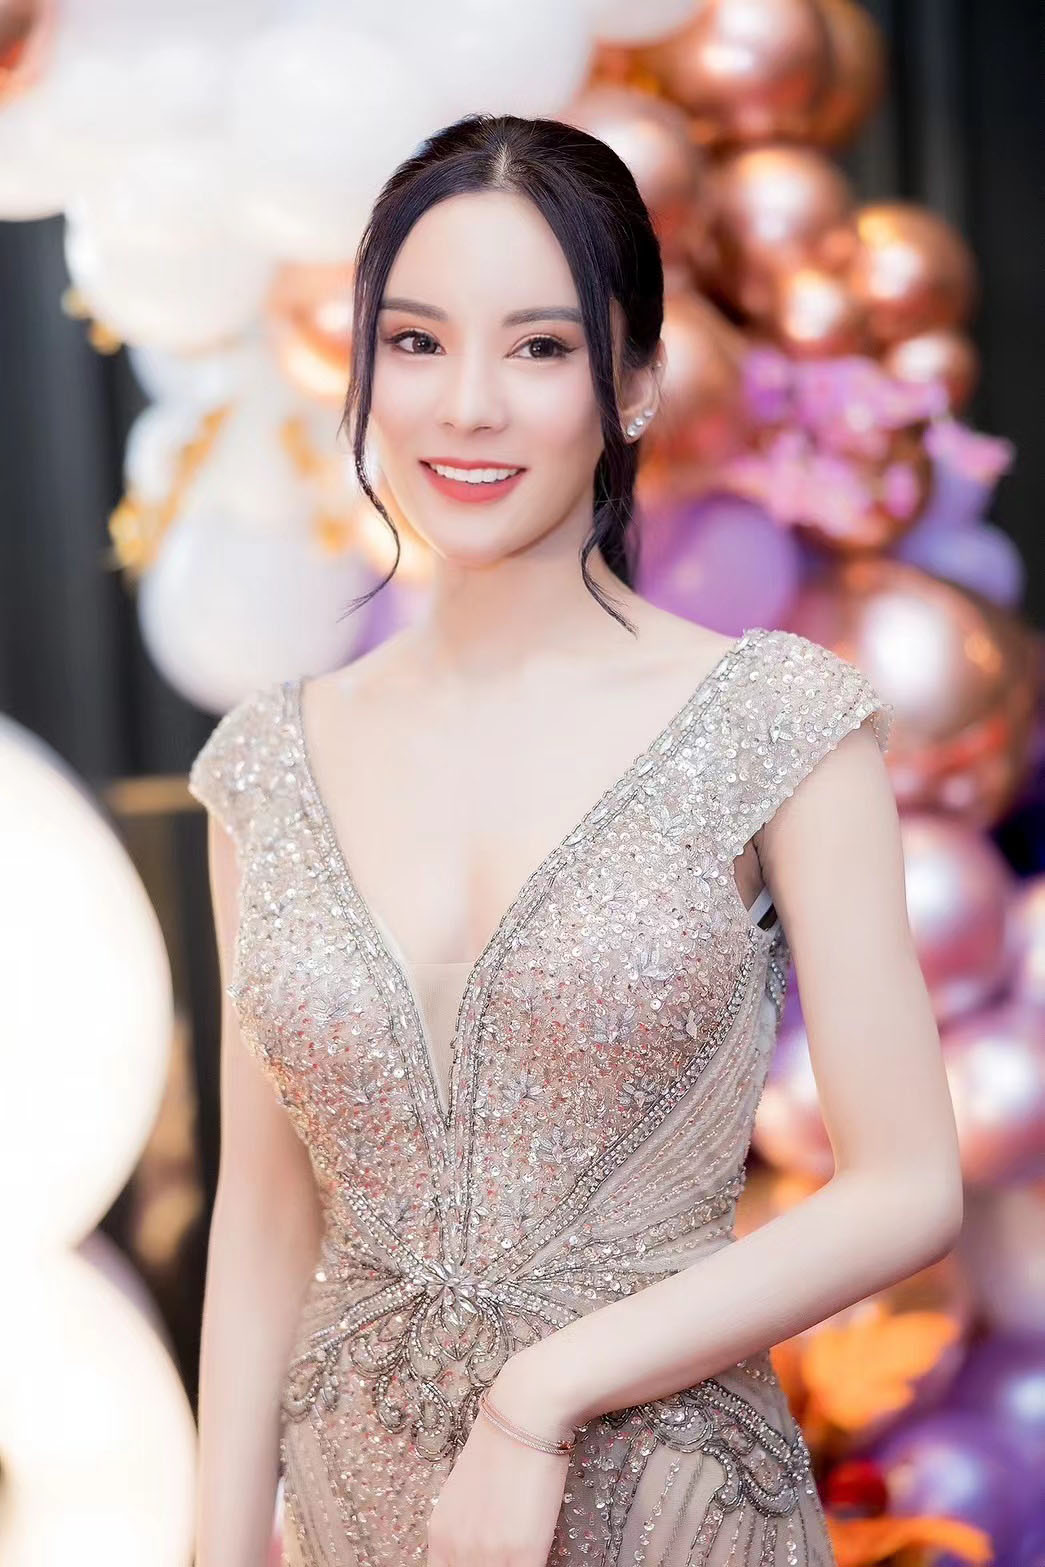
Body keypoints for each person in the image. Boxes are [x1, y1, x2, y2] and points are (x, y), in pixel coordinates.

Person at [188, 113, 963, 1567]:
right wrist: (218, 1549)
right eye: (416, 343)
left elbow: (906, 1185)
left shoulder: (773, 719)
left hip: (674, 1505)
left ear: (637, 385)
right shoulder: (265, 765)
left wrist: (541, 1395)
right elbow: (264, 1219)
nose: (468, 405)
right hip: (360, 1512)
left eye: (539, 348)